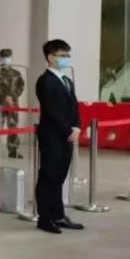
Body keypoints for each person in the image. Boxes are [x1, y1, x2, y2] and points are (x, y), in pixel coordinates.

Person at [34, 39, 84, 234]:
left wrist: (76, 126)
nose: (66, 59)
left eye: (68, 55)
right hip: (52, 136)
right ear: (50, 57)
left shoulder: (67, 81)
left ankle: (58, 215)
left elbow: (74, 106)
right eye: (62, 55)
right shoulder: (45, 81)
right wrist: (68, 130)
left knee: (59, 177)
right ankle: (45, 218)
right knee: (48, 177)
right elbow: (52, 110)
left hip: (66, 136)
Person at [0, 48, 25, 159]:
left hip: (13, 104)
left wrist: (13, 97)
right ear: (0, 58)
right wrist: (5, 97)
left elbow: (21, 86)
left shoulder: (16, 73)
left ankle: (13, 151)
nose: (6, 59)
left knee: (13, 126)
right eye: (4, 57)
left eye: (8, 57)